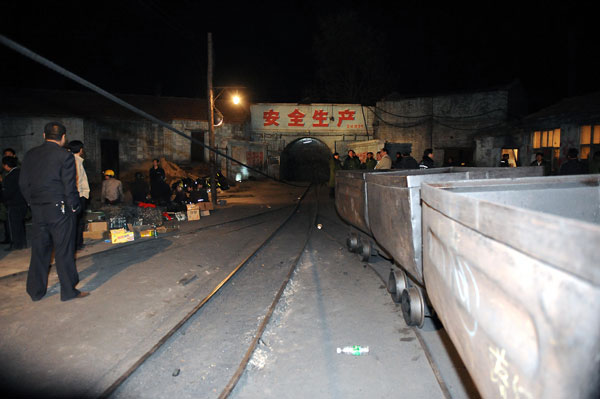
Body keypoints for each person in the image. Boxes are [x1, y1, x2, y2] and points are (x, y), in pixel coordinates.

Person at [18, 121, 89, 301]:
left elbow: (23, 184)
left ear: (44, 135)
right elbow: (69, 186)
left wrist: (31, 203)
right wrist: (74, 207)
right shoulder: (65, 156)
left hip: (38, 209)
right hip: (60, 209)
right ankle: (68, 291)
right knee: (63, 250)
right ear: (64, 138)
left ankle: (36, 291)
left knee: (40, 250)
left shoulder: (30, 155)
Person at [68, 140, 90, 250]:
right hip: (78, 195)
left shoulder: (75, 161)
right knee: (78, 221)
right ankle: (77, 244)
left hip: (77, 194)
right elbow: (77, 180)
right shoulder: (75, 162)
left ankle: (77, 243)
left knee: (77, 221)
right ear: (80, 150)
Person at [2, 156, 27, 250]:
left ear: (6, 166)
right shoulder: (21, 173)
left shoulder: (10, 176)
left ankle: (15, 244)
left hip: (13, 203)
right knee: (20, 224)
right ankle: (22, 243)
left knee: (13, 226)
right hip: (22, 202)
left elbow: (8, 192)